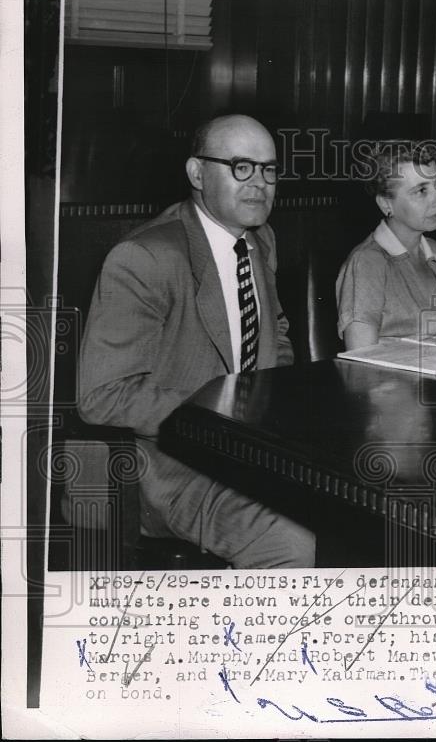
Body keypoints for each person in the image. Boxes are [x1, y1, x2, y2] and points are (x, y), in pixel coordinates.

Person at [78, 114, 315, 568]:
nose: (259, 183)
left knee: (365, 514)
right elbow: (101, 396)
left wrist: (272, 396)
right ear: (196, 173)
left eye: (269, 169)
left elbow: (276, 328)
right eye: (240, 167)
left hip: (256, 453)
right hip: (172, 468)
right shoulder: (145, 257)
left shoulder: (260, 239)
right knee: (291, 542)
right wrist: (222, 416)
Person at [336, 141, 436, 349]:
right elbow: (361, 354)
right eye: (421, 191)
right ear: (386, 204)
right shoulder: (367, 263)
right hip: (391, 378)